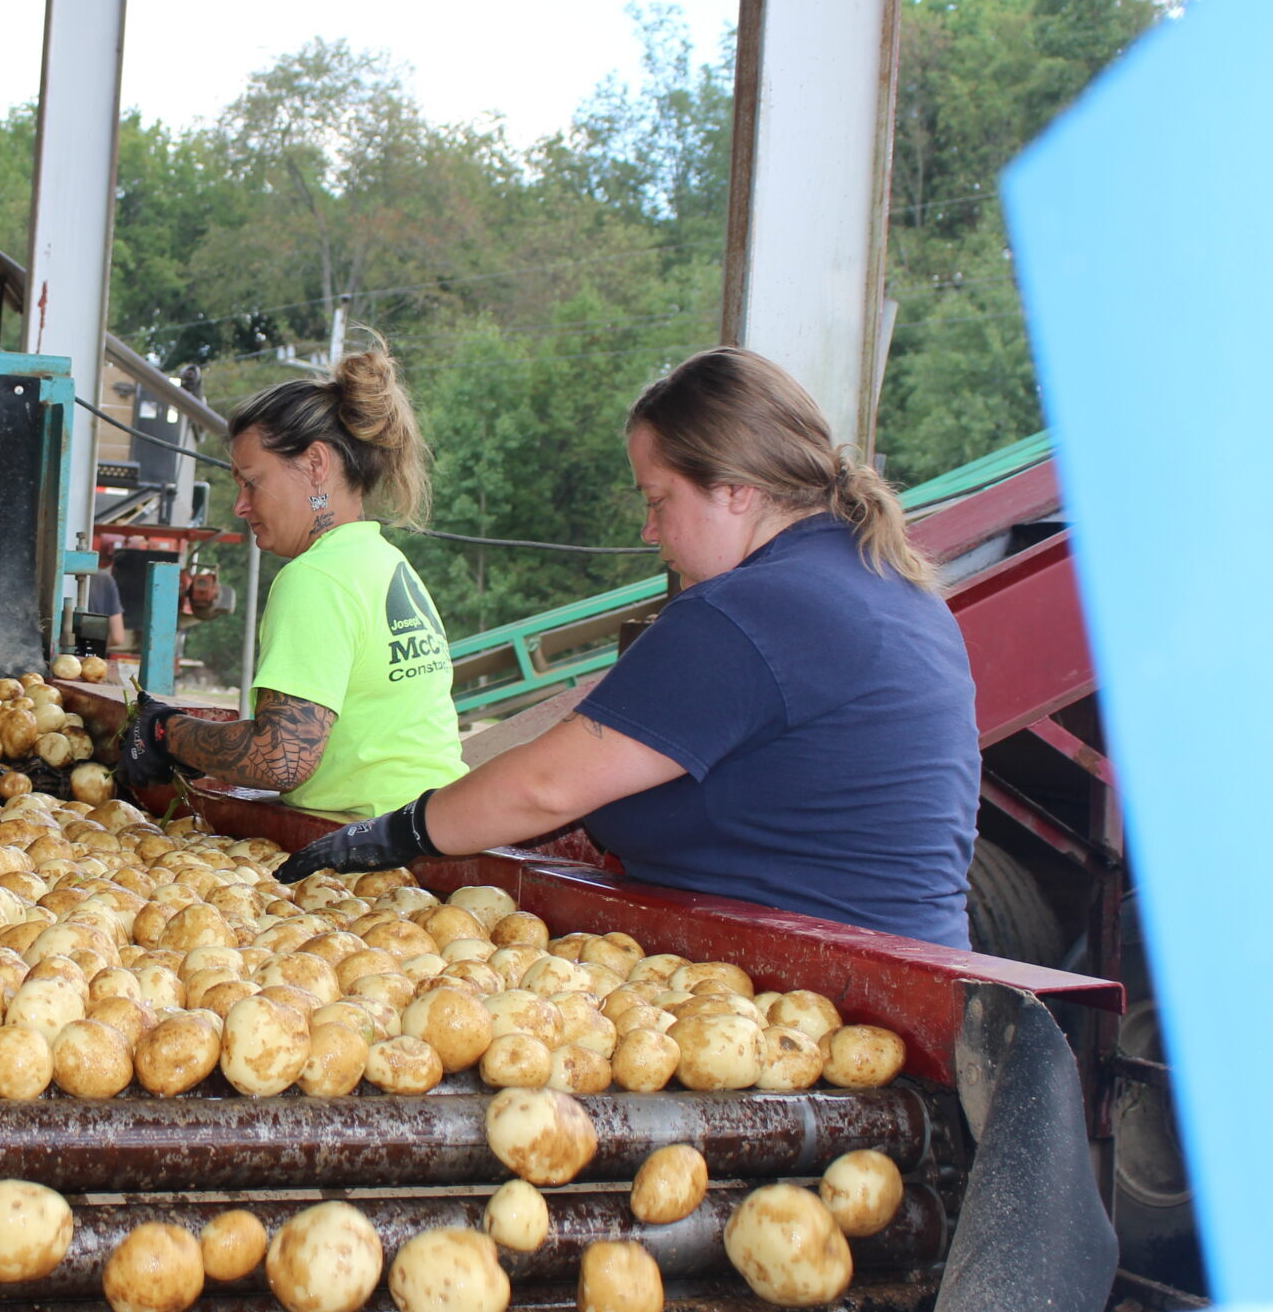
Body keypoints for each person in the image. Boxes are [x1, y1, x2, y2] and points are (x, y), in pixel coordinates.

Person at [276, 346, 979, 949]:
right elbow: (596, 742)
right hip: (917, 963)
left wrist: (393, 836)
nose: (650, 531)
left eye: (657, 499)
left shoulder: (750, 610)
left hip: (818, 983)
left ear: (734, 490)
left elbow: (543, 787)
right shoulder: (891, 585)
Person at [118, 343, 465, 818]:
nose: (240, 505)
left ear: (315, 464)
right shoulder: (387, 564)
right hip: (429, 824)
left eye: (251, 481)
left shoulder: (315, 577)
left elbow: (280, 758)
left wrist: (165, 733)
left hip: (368, 841)